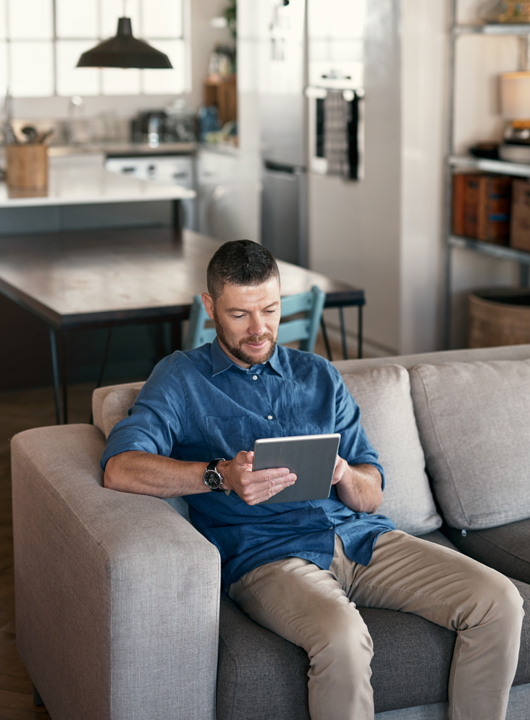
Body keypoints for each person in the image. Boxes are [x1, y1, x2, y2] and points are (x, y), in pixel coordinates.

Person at [102, 239, 523, 720]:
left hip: (362, 539)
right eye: (240, 314)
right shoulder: (180, 378)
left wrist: (343, 471)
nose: (259, 329)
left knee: (499, 600)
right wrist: (219, 476)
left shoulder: (319, 375)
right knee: (343, 639)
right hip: (268, 556)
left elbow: (371, 493)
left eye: (271, 310)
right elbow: (120, 467)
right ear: (210, 306)